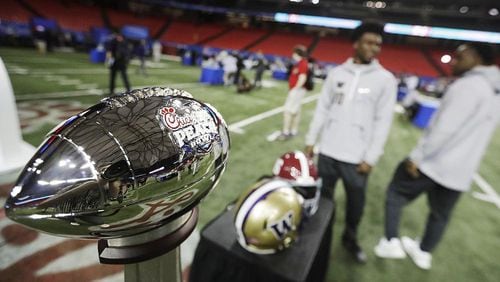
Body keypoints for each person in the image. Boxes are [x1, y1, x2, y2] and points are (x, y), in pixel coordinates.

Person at [374, 43, 499, 270]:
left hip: (434, 163)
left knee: (396, 192)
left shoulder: (469, 86)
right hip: (461, 172)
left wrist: (417, 157)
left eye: (460, 57)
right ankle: (424, 252)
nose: (454, 62)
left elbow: (444, 129)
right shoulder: (495, 91)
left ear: (476, 57)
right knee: (440, 215)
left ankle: (390, 241)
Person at [304, 21, 397, 263]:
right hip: (328, 152)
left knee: (356, 205)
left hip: (357, 159)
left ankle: (350, 238)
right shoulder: (337, 74)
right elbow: (322, 109)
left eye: (378, 44)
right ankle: (318, 238)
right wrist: (311, 140)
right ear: (356, 43)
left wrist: (371, 157)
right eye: (369, 42)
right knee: (323, 200)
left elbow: (382, 122)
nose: (374, 47)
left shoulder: (386, 80)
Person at [278, 45, 309, 140]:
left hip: (297, 90)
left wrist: (295, 89)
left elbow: (302, 78)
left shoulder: (302, 63)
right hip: (298, 90)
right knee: (296, 111)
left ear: (297, 53)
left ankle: (286, 131)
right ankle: (293, 130)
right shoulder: (300, 63)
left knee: (288, 111)